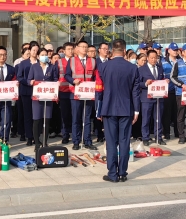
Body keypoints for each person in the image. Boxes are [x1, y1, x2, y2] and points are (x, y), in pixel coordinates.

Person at [97, 39, 140, 183]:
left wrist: (98, 110)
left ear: (111, 50)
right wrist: (136, 111)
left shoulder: (103, 67)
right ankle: (122, 173)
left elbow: (99, 90)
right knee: (124, 141)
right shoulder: (132, 68)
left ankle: (112, 174)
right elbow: (135, 91)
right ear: (124, 51)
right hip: (126, 108)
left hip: (108, 108)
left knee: (111, 142)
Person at [65, 40, 97, 151]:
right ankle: (76, 141)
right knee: (76, 118)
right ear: (77, 48)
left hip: (88, 93)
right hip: (75, 93)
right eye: (82, 46)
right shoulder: (72, 60)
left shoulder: (92, 61)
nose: (84, 48)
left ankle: (87, 141)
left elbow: (95, 76)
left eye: (86, 47)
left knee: (87, 118)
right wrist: (73, 81)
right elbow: (67, 75)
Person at [27, 48, 59, 151]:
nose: (44, 56)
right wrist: (31, 82)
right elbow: (28, 79)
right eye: (42, 54)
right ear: (38, 56)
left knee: (47, 119)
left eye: (46, 54)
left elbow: (55, 79)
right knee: (37, 120)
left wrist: (57, 83)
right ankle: (37, 143)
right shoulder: (34, 67)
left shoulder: (52, 67)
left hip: (48, 97)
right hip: (37, 97)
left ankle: (45, 142)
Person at [138, 50, 167, 145]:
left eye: (156, 58)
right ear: (147, 58)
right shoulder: (141, 69)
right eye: (152, 58)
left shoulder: (160, 68)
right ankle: (145, 137)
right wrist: (145, 83)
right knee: (146, 119)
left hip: (159, 97)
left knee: (158, 118)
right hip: (147, 98)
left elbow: (161, 80)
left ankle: (158, 137)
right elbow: (137, 83)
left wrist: (165, 81)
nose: (154, 60)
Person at [17, 41, 40, 145]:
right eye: (33, 50)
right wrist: (28, 82)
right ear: (29, 50)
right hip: (26, 92)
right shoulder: (23, 63)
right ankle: (29, 137)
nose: (35, 52)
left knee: (37, 116)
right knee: (27, 115)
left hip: (38, 92)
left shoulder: (40, 62)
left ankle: (36, 137)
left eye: (37, 50)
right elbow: (19, 77)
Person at [56, 42, 75, 144]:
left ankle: (75, 135)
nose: (70, 51)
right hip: (63, 91)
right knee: (64, 115)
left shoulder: (76, 61)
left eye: (72, 49)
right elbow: (55, 76)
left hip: (75, 91)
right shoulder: (59, 62)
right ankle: (65, 135)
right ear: (64, 51)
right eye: (68, 49)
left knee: (75, 114)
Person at [161, 43, 179, 139]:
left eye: (176, 50)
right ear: (169, 51)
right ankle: (166, 132)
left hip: (178, 90)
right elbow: (160, 74)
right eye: (173, 50)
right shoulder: (162, 61)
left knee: (178, 113)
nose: (175, 51)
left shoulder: (180, 61)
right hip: (168, 90)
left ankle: (178, 132)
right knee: (167, 113)